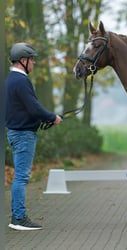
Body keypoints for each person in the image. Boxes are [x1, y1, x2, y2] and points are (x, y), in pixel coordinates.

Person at [5, 42, 63, 230]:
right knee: (22, 177)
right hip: (23, 135)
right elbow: (33, 107)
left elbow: (23, 110)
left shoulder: (10, 80)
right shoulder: (20, 81)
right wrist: (52, 117)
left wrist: (42, 120)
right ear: (23, 60)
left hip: (17, 132)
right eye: (32, 60)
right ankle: (18, 218)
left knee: (20, 176)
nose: (34, 63)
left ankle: (17, 216)